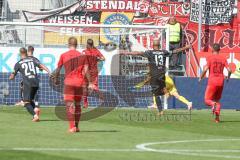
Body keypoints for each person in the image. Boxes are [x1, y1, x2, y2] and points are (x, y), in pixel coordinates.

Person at [121, 39, 190, 115]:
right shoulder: (164, 52)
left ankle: (160, 110)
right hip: (162, 74)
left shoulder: (149, 52)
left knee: (156, 94)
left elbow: (138, 53)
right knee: (162, 87)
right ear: (159, 45)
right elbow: (175, 51)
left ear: (152, 46)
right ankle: (165, 91)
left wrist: (126, 52)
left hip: (154, 75)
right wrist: (186, 47)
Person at [54, 37, 94, 133]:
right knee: (77, 105)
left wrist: (56, 79)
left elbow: (58, 69)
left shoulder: (63, 55)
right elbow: (86, 70)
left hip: (69, 83)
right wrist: (90, 83)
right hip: (79, 83)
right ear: (77, 45)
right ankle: (77, 126)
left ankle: (72, 127)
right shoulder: (82, 56)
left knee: (69, 105)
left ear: (68, 44)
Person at [9, 47, 51, 122]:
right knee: (31, 100)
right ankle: (36, 109)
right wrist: (49, 72)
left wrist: (11, 77)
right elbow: (41, 65)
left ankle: (35, 116)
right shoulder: (33, 59)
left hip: (28, 84)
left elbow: (12, 76)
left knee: (26, 102)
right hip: (36, 82)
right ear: (26, 53)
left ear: (20, 54)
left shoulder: (18, 63)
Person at [199, 43, 231, 123]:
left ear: (212, 49)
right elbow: (230, 70)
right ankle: (217, 119)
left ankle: (213, 105)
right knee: (217, 100)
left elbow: (205, 69)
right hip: (221, 81)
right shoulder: (223, 59)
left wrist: (201, 77)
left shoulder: (210, 58)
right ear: (219, 50)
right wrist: (228, 77)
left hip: (212, 81)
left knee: (207, 100)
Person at [82, 39, 105, 108]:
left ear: (87, 44)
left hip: (86, 71)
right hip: (94, 71)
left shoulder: (84, 52)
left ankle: (85, 103)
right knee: (94, 86)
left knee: (84, 87)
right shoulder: (96, 51)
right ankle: (101, 96)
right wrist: (97, 59)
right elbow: (103, 58)